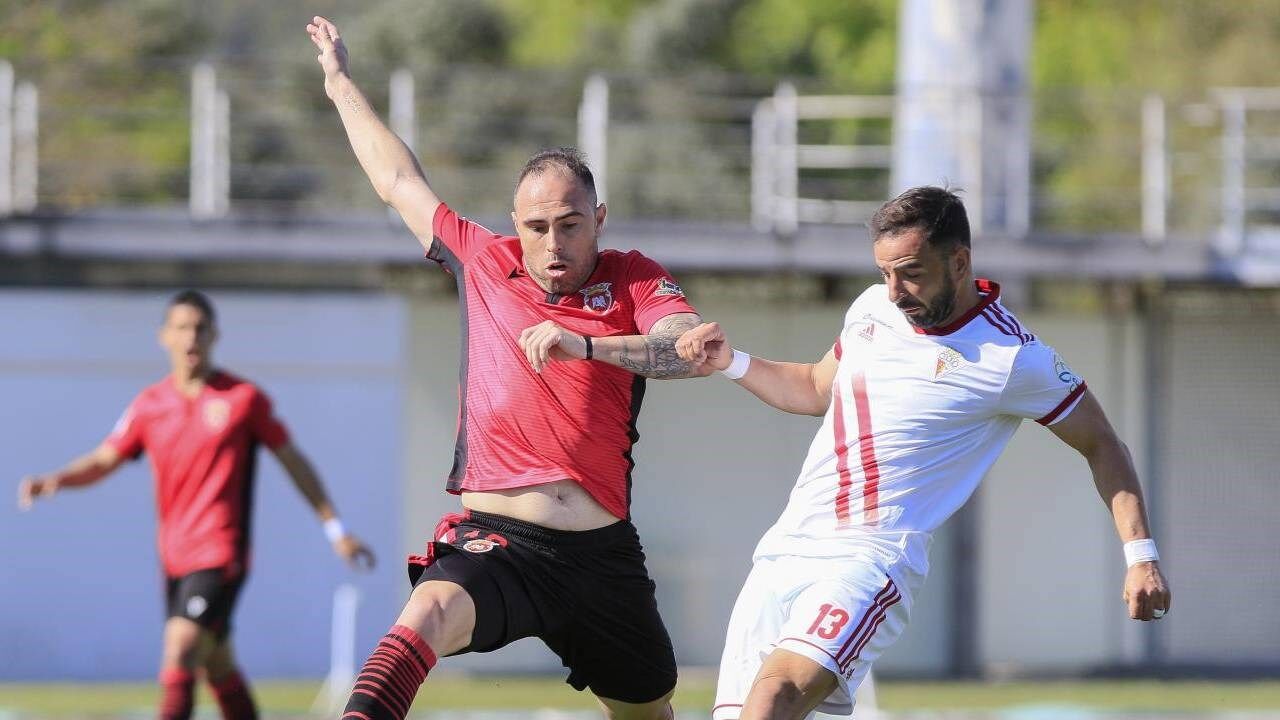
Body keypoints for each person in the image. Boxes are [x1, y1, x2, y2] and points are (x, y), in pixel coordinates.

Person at [307, 15, 712, 720]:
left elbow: (682, 348)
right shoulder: (481, 260)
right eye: (536, 226)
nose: (552, 242)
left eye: (570, 223)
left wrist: (586, 344)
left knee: (650, 712)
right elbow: (397, 178)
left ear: (599, 218)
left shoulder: (633, 278)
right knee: (427, 611)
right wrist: (340, 82)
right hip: (501, 542)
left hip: (601, 555)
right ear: (513, 223)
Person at [676, 186, 1173, 720]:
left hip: (870, 558)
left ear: (959, 262)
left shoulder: (1014, 358)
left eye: (910, 272)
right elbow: (815, 389)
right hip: (784, 549)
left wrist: (1140, 557)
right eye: (885, 272)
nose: (894, 291)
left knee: (776, 698)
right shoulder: (871, 308)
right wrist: (732, 362)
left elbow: (1103, 444)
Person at [17, 289, 375, 720]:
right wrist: (56, 479)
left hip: (221, 552)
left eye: (200, 329)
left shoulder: (242, 399)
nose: (191, 338)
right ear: (163, 336)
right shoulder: (150, 405)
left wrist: (334, 527)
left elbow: (293, 461)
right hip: (174, 558)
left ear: (214, 336)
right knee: (216, 661)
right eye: (182, 328)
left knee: (181, 646)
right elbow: (103, 459)